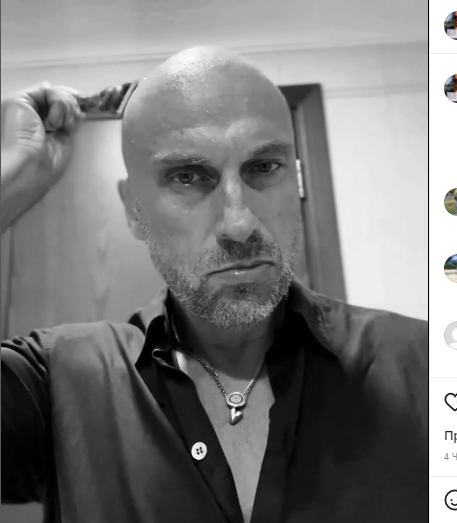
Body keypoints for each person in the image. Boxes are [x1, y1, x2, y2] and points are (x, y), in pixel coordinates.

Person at [0, 46, 427, 523]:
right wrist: (9, 178)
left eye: (263, 168)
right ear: (133, 210)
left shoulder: (425, 365)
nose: (239, 225)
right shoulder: (58, 382)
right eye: (188, 177)